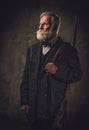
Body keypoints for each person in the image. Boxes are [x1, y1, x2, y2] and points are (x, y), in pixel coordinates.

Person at [20, 12, 82, 130]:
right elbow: (26, 76)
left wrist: (58, 71)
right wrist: (24, 101)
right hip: (32, 108)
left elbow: (77, 74)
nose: (40, 27)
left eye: (45, 24)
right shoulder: (32, 49)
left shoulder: (68, 49)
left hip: (53, 110)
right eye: (40, 24)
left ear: (54, 27)